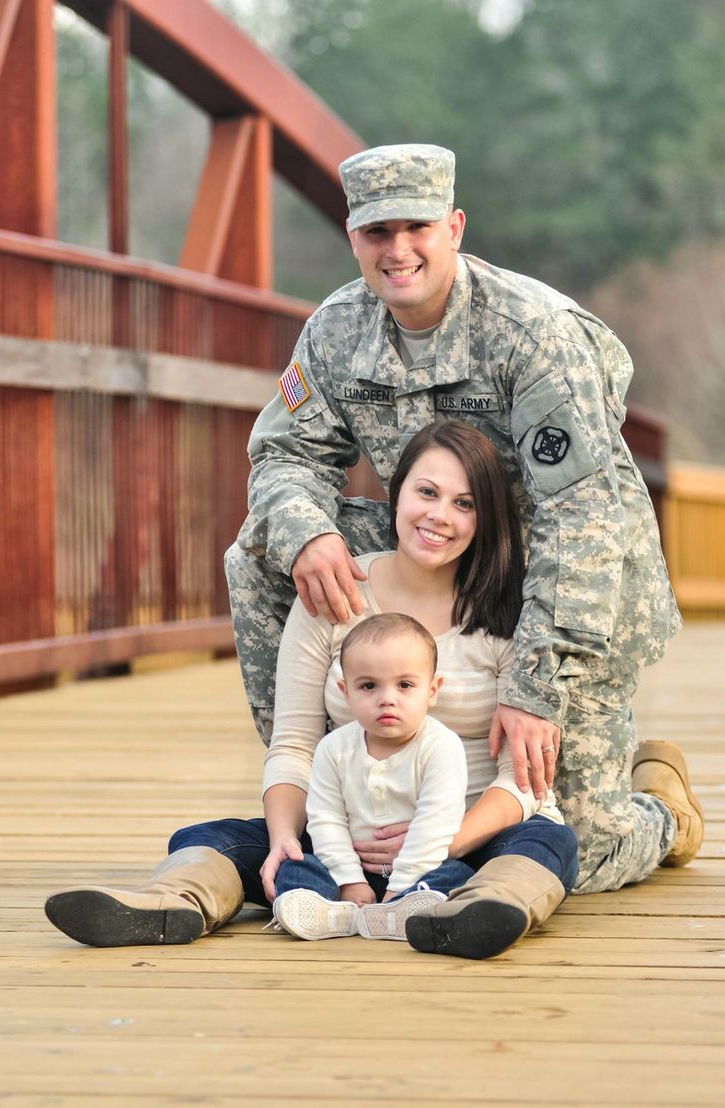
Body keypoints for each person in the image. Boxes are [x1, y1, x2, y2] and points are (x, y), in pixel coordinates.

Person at [227, 142, 704, 935]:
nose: (398, 250)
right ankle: (327, 786)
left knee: (576, 849)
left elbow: (584, 521)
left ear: (453, 227)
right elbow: (284, 452)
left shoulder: (533, 332)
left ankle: (658, 802)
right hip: (433, 548)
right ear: (354, 239)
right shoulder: (337, 329)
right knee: (263, 547)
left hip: (557, 575)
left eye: (416, 227)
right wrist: (308, 531)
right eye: (377, 232)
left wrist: (533, 689)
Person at [45, 422, 579, 960]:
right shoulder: (337, 593)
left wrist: (444, 841)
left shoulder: (507, 614)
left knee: (547, 841)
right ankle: (171, 904)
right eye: (426, 492)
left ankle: (474, 912)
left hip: (469, 836)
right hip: (343, 838)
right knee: (221, 838)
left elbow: (523, 777)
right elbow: (295, 742)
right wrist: (285, 837)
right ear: (398, 495)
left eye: (464, 503)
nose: (439, 515)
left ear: (482, 519)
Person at [272, 612, 476, 942]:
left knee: (460, 874)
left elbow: (434, 826)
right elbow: (326, 820)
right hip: (349, 868)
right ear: (345, 692)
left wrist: (399, 887)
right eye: (368, 686)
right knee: (298, 864)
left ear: (433, 690)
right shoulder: (333, 749)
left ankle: (405, 909)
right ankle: (330, 912)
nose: (387, 699)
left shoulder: (441, 747)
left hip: (417, 870)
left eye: (405, 685)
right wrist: (350, 879)